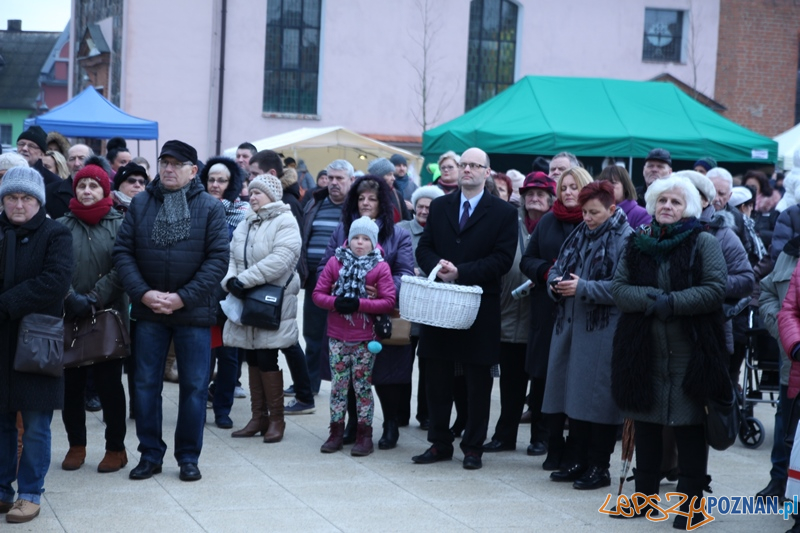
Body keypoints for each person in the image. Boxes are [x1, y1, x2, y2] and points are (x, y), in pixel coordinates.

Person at [611, 176, 728, 529]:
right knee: (646, 424)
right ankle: (644, 499)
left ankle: (690, 506)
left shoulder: (703, 242)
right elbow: (618, 288)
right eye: (662, 200)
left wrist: (673, 303)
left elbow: (715, 288)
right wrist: (653, 301)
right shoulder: (638, 241)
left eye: (676, 202)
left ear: (689, 208)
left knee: (690, 427)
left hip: (692, 352)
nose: (667, 206)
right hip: (643, 350)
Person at [113, 140, 229, 482]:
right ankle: (150, 454)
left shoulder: (209, 207)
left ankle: (188, 456)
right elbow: (123, 253)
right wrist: (144, 294)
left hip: (193, 312)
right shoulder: (142, 203)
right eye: (164, 162)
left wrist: (182, 297)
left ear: (194, 171)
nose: (168, 168)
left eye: (177, 164)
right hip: (149, 311)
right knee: (146, 384)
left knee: (194, 386)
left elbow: (217, 260)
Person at [412, 147, 517, 470]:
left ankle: (473, 447)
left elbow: (502, 258)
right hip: (440, 304)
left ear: (487, 172)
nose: (467, 169)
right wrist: (438, 267)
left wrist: (462, 271)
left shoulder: (502, 212)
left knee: (477, 382)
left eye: (475, 165)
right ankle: (439, 442)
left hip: (479, 306)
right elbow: (424, 247)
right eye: (463, 164)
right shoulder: (441, 206)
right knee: (437, 377)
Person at [543, 182, 632, 490]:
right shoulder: (579, 233)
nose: (588, 217)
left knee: (598, 402)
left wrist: (583, 288)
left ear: (611, 209)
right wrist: (554, 283)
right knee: (573, 397)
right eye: (584, 211)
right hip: (571, 324)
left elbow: (624, 289)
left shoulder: (626, 238)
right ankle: (577, 458)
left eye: (594, 212)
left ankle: (599, 465)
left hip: (602, 329)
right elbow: (558, 268)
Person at [318, 175, 415, 449]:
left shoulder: (399, 234)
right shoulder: (342, 231)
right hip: (345, 319)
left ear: (382, 202)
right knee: (346, 378)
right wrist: (335, 286)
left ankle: (390, 424)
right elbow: (325, 266)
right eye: (361, 198)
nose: (366, 203)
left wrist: (379, 287)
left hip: (381, 318)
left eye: (372, 198)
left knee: (385, 377)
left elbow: (404, 273)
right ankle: (350, 424)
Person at [0, 167, 73, 523]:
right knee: (0, 421)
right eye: (11, 197)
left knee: (36, 423)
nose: (17, 204)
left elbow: (55, 281)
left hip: (37, 340)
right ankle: (1, 490)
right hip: (1, 340)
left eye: (25, 198)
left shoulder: (56, 234)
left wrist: (6, 303)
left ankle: (29, 493)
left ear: (38, 201)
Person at [57, 164, 128, 473]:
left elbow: (123, 266)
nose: (87, 191)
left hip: (107, 314)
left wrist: (95, 297)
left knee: (109, 385)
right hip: (69, 315)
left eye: (93, 186)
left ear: (105, 190)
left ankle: (116, 447)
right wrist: (70, 297)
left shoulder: (121, 224)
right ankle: (77, 445)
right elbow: (54, 266)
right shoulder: (61, 225)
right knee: (71, 386)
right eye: (82, 185)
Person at [520, 167, 593, 466]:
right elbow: (528, 259)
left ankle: (575, 447)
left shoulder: (594, 221)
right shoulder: (548, 221)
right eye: (564, 188)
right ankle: (546, 440)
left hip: (582, 309)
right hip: (547, 307)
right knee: (543, 377)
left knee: (573, 378)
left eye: (574, 187)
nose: (568, 193)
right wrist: (547, 273)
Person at [223, 174, 302, 443]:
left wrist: (243, 280)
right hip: (246, 297)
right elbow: (233, 255)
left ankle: (276, 419)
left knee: (268, 356)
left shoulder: (286, 221)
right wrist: (230, 280)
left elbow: (281, 260)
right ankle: (259, 417)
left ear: (272, 195)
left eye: (258, 193)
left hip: (271, 298)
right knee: (252, 356)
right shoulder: (246, 221)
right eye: (251, 192)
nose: (252, 197)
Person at [314, 216, 397, 455]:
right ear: (348, 240)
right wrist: (337, 302)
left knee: (362, 387)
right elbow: (318, 294)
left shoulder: (380, 266)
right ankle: (335, 432)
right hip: (337, 336)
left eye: (365, 239)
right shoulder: (335, 263)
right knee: (339, 387)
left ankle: (364, 435)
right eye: (355, 238)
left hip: (365, 338)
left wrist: (359, 304)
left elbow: (388, 301)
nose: (359, 243)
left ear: (373, 242)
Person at [483, 173, 553, 454]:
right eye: (529, 193)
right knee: (511, 383)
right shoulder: (509, 223)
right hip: (508, 314)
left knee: (540, 383)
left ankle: (541, 436)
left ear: (551, 199)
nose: (534, 198)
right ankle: (504, 435)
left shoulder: (556, 226)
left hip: (542, 318)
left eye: (541, 193)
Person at [246, 151, 315, 414]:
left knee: (286, 340)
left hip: (280, 283)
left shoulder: (286, 204)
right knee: (284, 341)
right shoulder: (259, 208)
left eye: (254, 174)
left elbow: (289, 250)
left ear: (270, 175)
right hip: (268, 282)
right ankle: (295, 395)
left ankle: (304, 395)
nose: (249, 181)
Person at [199, 157, 250, 428]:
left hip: (229, 295)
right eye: (212, 179)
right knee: (201, 354)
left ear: (232, 184)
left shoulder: (243, 212)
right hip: (199, 293)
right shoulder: (194, 207)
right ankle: (196, 405)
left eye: (222, 180)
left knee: (229, 356)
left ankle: (222, 409)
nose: (216, 185)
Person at [299, 160, 354, 397]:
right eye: (330, 178)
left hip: (346, 283)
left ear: (351, 181)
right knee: (312, 335)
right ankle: (310, 385)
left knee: (346, 339)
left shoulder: (356, 209)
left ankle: (344, 387)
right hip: (314, 281)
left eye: (340, 178)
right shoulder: (315, 203)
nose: (333, 183)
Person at [398, 186, 444, 430]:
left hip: (431, 309)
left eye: (429, 206)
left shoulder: (442, 231)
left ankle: (425, 415)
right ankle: (399, 414)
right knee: (402, 364)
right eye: (421, 205)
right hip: (405, 307)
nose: (424, 210)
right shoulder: (401, 229)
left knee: (428, 366)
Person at [45, 145, 95, 220]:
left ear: (92, 162)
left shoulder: (105, 190)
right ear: (67, 164)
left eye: (82, 158)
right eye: (72, 159)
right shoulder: (50, 191)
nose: (76, 164)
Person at [743, 170, 781, 250]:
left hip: (765, 255)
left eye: (754, 187)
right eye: (747, 187)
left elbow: (779, 234)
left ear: (762, 188)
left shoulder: (772, 207)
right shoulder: (741, 206)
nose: (750, 190)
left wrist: (760, 234)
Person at [368, 158, 411, 222]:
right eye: (389, 174)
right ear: (378, 177)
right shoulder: (367, 195)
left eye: (393, 174)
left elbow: (407, 220)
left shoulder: (396, 195)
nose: (393, 178)